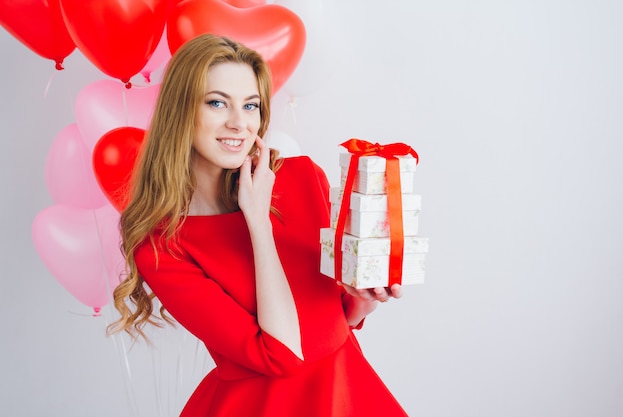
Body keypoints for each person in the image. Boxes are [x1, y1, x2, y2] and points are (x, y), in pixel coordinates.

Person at [108, 33, 408, 417]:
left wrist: (366, 293)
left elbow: (339, 318)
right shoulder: (162, 245)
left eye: (250, 106)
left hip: (346, 392)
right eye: (217, 103)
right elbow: (282, 355)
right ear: (181, 111)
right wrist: (257, 220)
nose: (239, 123)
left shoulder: (301, 176)